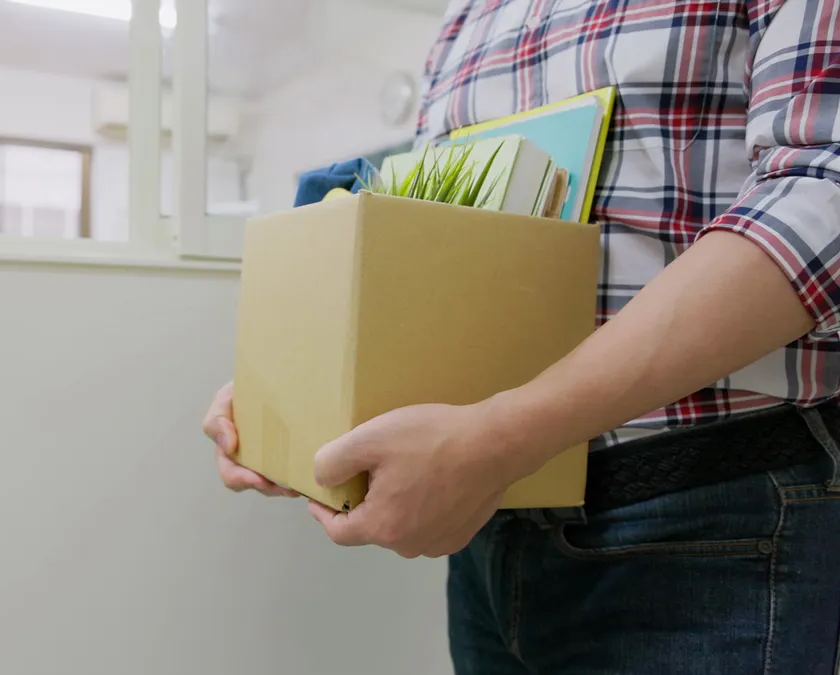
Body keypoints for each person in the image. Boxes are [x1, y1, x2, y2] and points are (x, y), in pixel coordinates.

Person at [203, 0, 840, 672]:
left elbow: (822, 196)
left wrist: (506, 435)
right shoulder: (468, 14)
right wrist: (298, 386)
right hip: (490, 527)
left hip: (704, 508)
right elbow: (441, 241)